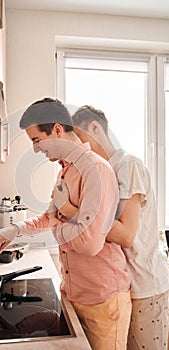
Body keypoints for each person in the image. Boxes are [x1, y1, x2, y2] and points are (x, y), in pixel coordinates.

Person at [0, 98, 132, 349]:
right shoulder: (64, 171)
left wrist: (57, 223)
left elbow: (89, 244)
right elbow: (50, 216)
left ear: (57, 130)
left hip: (103, 300)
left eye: (36, 140)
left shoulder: (96, 170)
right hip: (75, 294)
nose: (35, 149)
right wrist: (15, 230)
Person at [69, 104, 169, 350]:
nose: (80, 149)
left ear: (95, 128)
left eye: (81, 139)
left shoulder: (128, 164)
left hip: (145, 286)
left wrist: (73, 211)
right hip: (125, 286)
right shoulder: (105, 172)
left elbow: (125, 235)